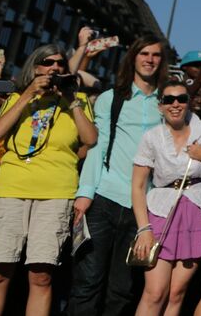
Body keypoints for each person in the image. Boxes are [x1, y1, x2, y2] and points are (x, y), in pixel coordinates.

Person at [0, 43, 99, 316]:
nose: (54, 67)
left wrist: (72, 101)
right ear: (35, 68)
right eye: (47, 63)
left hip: (55, 193)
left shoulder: (76, 100)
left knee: (41, 276)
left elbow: (90, 140)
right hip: (12, 188)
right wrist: (28, 94)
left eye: (60, 64)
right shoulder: (18, 97)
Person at [72, 35, 167, 316]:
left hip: (144, 207)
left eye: (156, 55)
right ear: (133, 58)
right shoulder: (111, 98)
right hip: (104, 198)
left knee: (122, 289)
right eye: (144, 53)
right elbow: (97, 148)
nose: (149, 59)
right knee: (87, 282)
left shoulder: (165, 103)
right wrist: (85, 193)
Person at [130, 79, 201, 316]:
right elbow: (138, 186)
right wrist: (143, 229)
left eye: (181, 99)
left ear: (189, 103)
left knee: (178, 292)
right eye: (169, 99)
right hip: (160, 212)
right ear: (160, 106)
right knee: (155, 291)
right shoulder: (151, 137)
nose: (175, 104)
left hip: (197, 210)